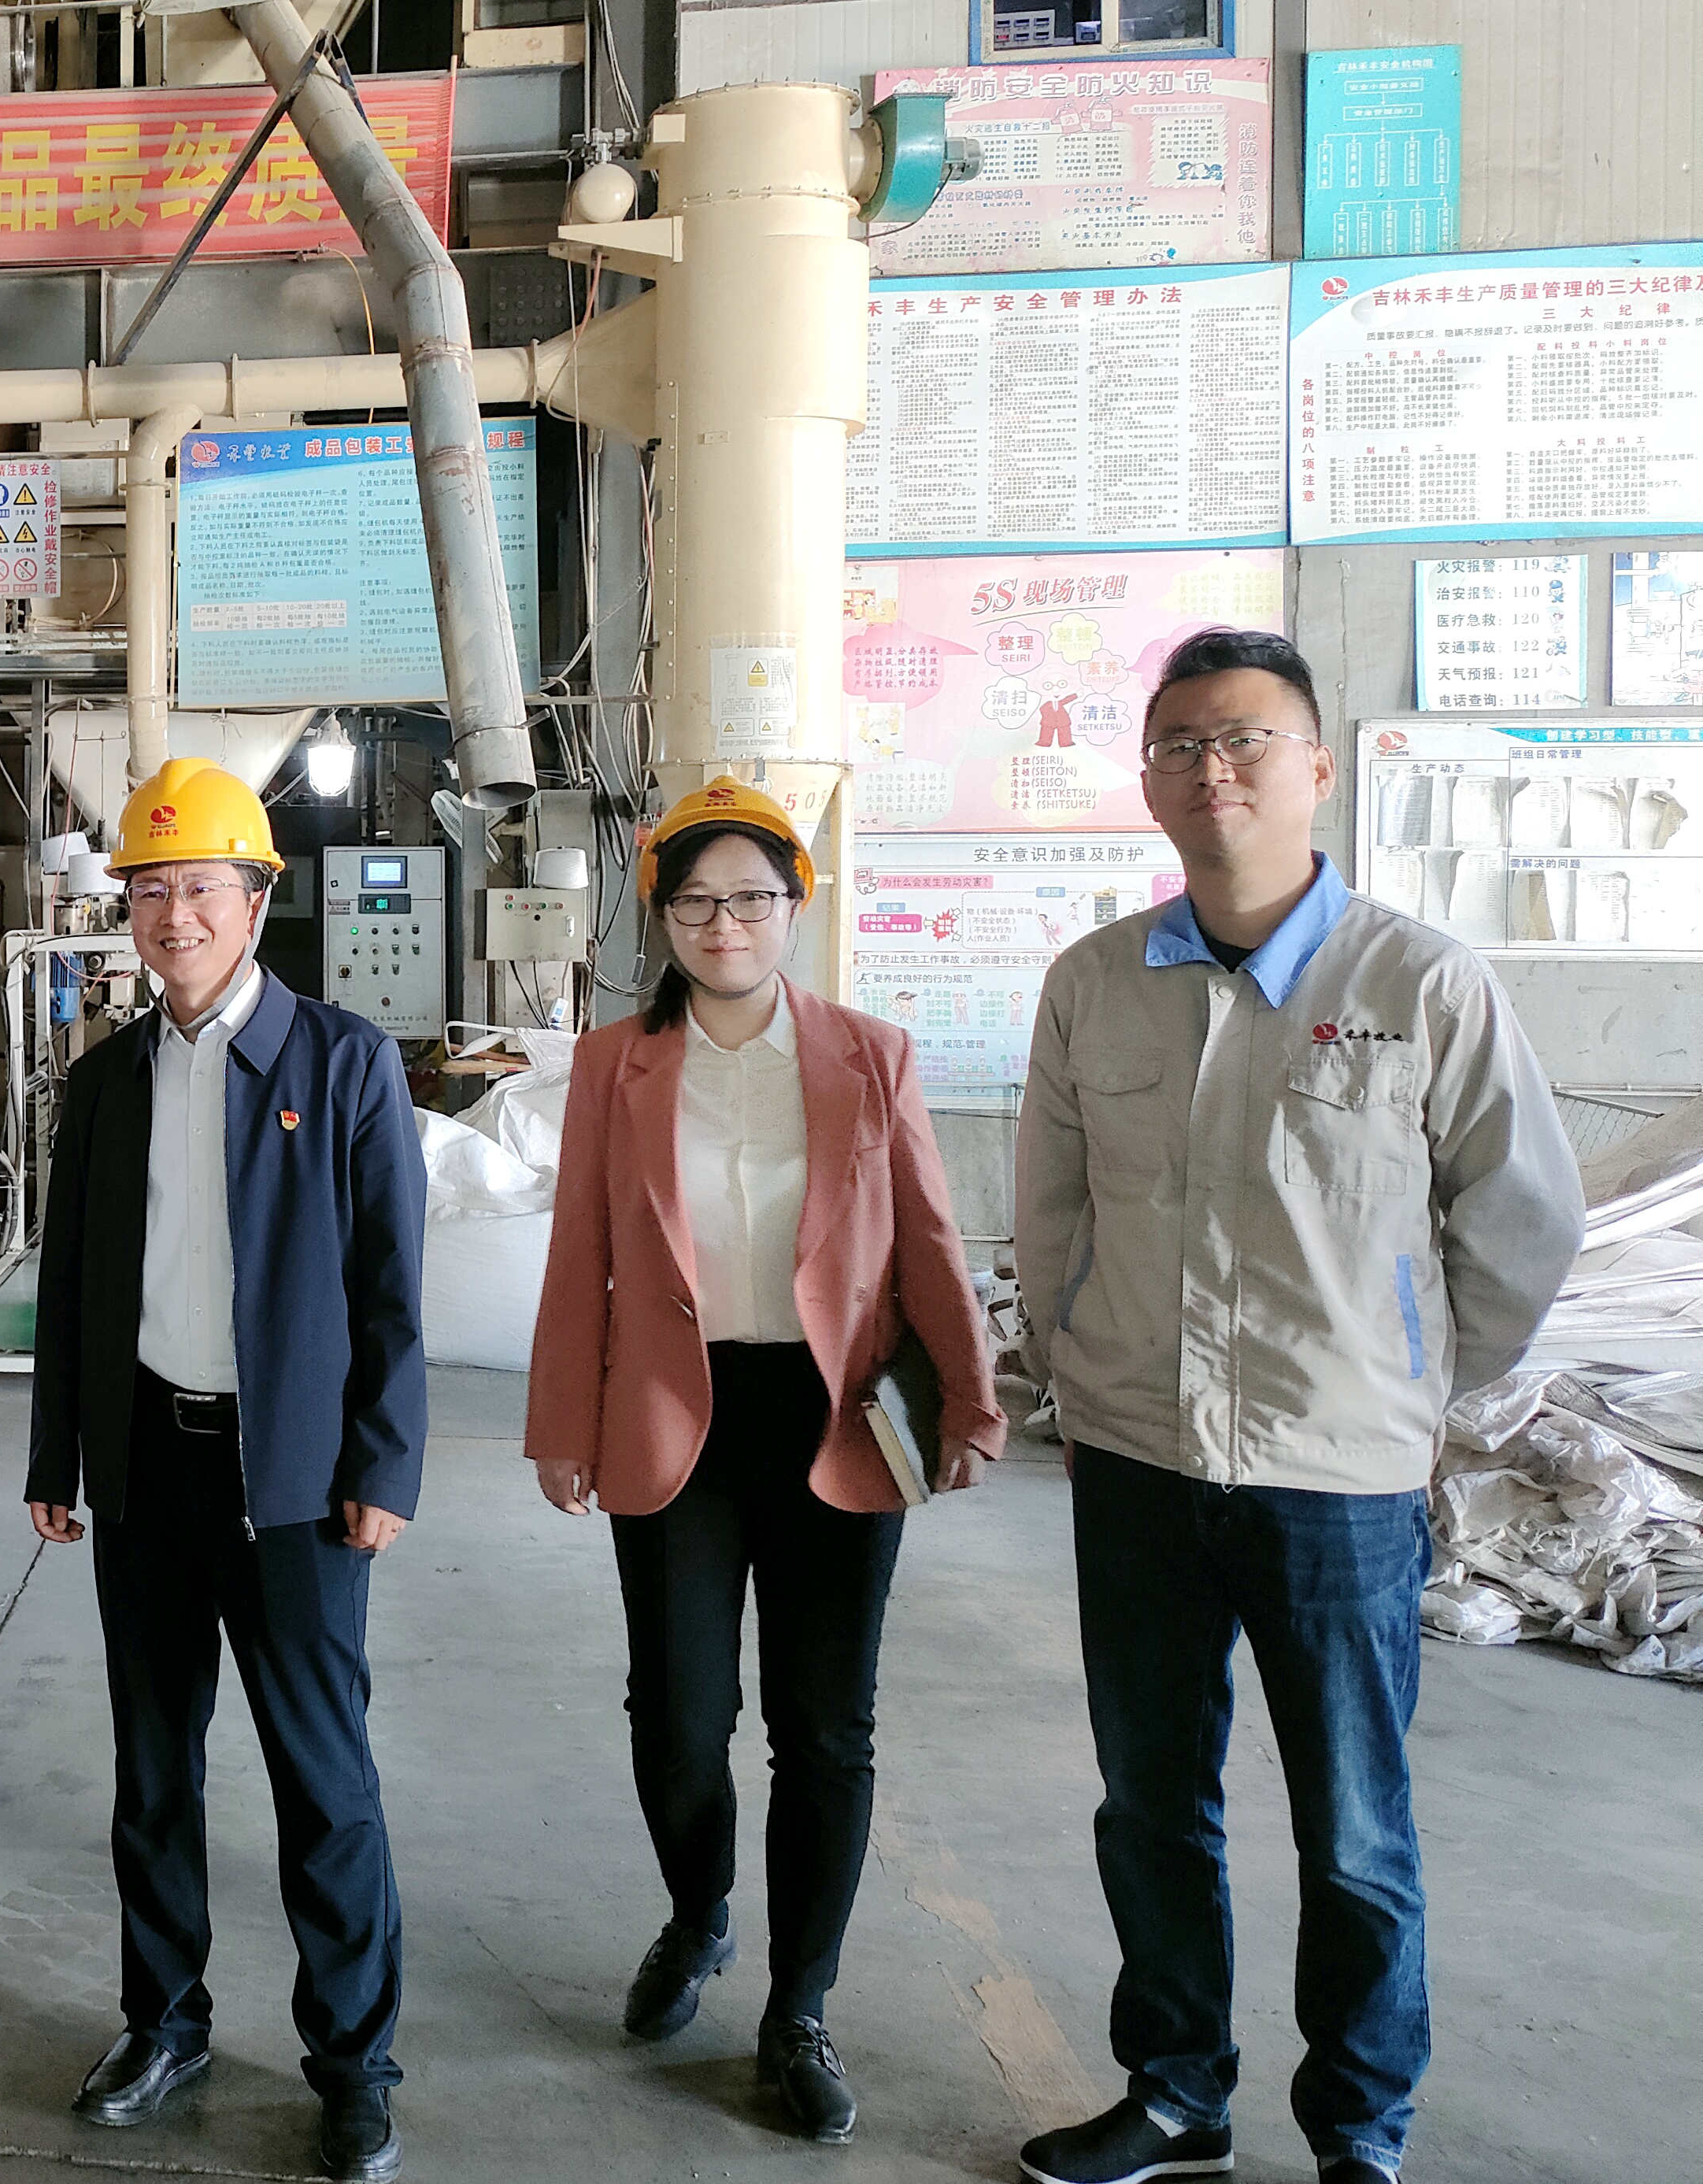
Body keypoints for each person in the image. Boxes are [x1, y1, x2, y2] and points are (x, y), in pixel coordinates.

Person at [1013, 629, 1580, 2184]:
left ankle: (1358, 2127)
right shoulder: (1092, 986)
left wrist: (1410, 1378)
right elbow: (1050, 1214)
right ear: (1147, 782)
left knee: (1355, 1827)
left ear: (1316, 767)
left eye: (1243, 740)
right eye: (1179, 746)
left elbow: (1522, 1219)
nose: (1212, 769)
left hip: (1339, 1476)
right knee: (1148, 1804)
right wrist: (1077, 1366)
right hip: (1138, 1458)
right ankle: (1174, 2091)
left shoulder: (1418, 982)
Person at [523, 776, 1005, 2145]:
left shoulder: (869, 1054)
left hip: (832, 1414)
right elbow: (581, 1252)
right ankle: (699, 1912)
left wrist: (971, 1404)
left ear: (795, 905)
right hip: (673, 1415)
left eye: (749, 897)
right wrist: (562, 1423)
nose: (723, 923)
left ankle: (800, 2007)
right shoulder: (614, 1066)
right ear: (662, 916)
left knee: (825, 1725)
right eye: (695, 900)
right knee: (679, 1716)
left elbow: (928, 1239)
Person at [25, 757, 428, 2183]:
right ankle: (166, 2021)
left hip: (298, 1487)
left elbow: (391, 1288)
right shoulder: (106, 1082)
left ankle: (355, 2064)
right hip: (148, 1464)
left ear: (257, 899)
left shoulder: (344, 1064)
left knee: (324, 1779)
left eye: (201, 886)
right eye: (151, 890)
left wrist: (385, 1462)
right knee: (154, 1769)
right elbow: (74, 1287)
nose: (174, 914)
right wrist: (59, 1452)